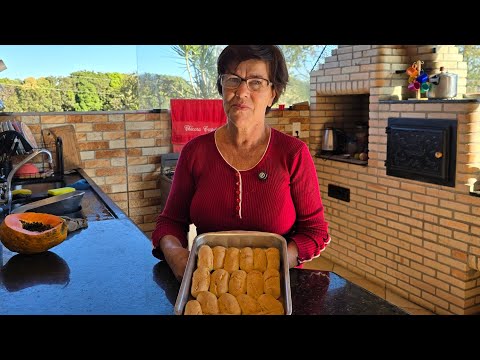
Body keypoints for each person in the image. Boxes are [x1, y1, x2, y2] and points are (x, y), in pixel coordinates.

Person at [152, 45, 330, 282]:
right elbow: (170, 222)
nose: (242, 91)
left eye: (256, 82)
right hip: (208, 283)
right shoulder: (195, 152)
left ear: (273, 93)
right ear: (222, 87)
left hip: (274, 286)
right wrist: (175, 255)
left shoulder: (293, 153)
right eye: (233, 80)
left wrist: (274, 266)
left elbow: (315, 231)